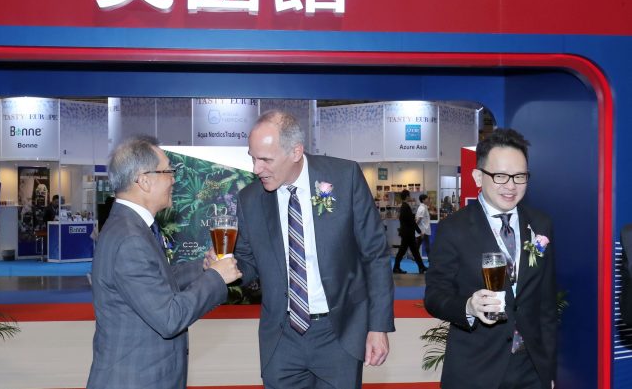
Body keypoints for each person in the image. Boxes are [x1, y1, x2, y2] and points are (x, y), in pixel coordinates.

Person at [234, 110, 395, 389]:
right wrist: (227, 269)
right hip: (281, 339)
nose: (256, 169)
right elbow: (247, 264)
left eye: (265, 160)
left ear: (296, 152)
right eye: (253, 158)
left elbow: (375, 254)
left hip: (339, 333)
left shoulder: (344, 177)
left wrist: (378, 326)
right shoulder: (250, 199)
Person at [87, 135, 242, 389]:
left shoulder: (129, 227)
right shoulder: (130, 238)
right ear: (144, 180)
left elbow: (157, 280)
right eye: (168, 171)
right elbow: (170, 318)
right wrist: (216, 277)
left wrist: (203, 268)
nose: (174, 179)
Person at [424, 128, 557, 389]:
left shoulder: (540, 224)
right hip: (476, 370)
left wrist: (548, 370)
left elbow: (547, 306)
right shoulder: (454, 228)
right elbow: (435, 296)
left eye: (520, 176)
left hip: (531, 369)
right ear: (478, 176)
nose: (511, 185)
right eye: (500, 176)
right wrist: (468, 307)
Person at [393, 189, 427, 274]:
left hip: (407, 233)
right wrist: (419, 231)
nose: (410, 197)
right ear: (407, 196)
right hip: (408, 233)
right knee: (404, 251)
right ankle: (396, 267)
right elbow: (411, 221)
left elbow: (407, 220)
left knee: (413, 251)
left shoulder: (404, 206)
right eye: (409, 195)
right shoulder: (406, 207)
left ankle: (421, 267)